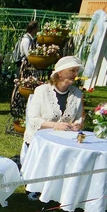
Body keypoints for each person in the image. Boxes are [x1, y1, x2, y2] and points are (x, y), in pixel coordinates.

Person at [21, 57, 84, 201]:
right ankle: (34, 186)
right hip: (40, 138)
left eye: (76, 71)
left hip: (65, 139)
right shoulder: (42, 91)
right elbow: (33, 118)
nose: (75, 74)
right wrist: (55, 125)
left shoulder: (77, 94)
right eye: (72, 70)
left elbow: (79, 117)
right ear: (60, 73)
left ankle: (59, 188)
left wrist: (77, 124)